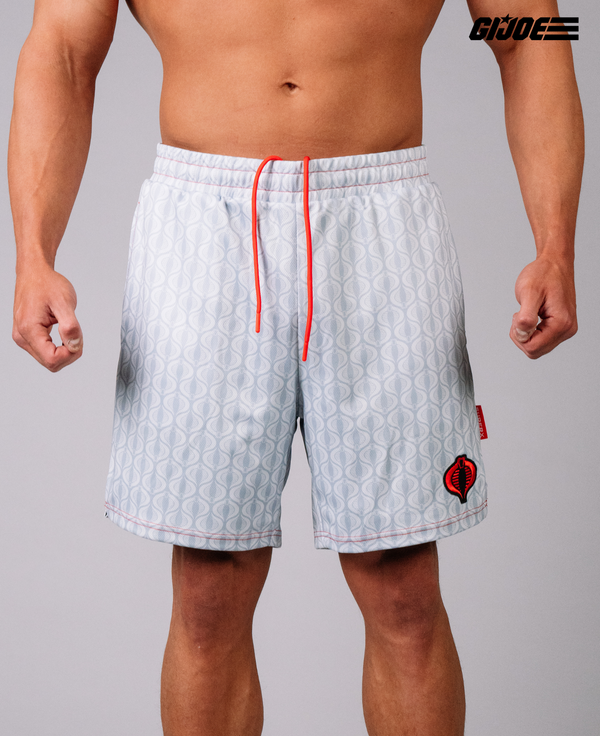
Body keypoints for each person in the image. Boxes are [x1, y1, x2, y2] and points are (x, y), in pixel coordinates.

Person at [8, 0, 582, 734]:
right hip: (203, 227)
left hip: (383, 221)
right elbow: (62, 50)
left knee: (403, 586)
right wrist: (33, 256)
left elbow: (530, 33)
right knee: (208, 590)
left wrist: (555, 244)